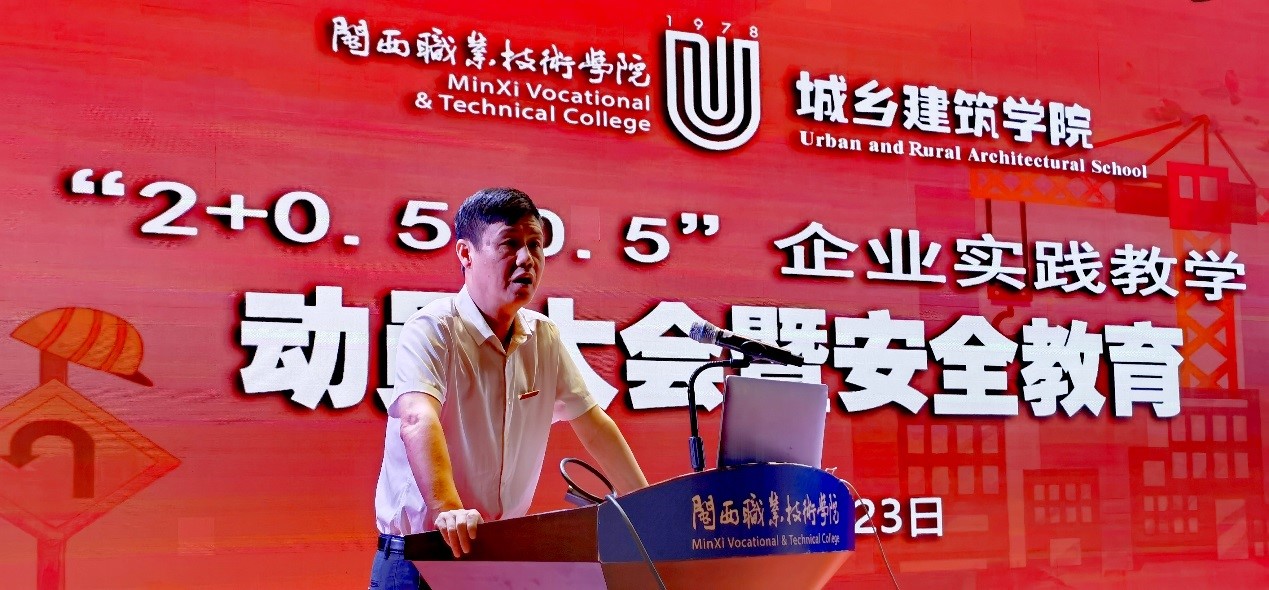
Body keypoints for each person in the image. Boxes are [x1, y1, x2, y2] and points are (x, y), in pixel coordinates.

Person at [369, 188, 648, 589]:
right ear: (466, 253)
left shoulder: (544, 337)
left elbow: (592, 424)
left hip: (498, 557)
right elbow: (417, 417)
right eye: (509, 244)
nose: (526, 259)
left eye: (535, 245)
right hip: (421, 559)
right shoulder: (433, 328)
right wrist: (448, 509)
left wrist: (648, 509)